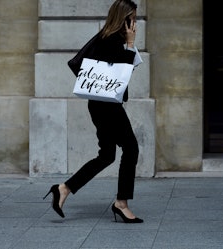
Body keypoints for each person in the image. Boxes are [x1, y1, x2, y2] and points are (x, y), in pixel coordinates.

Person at [43, 0, 143, 223]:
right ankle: (121, 203)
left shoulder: (106, 37)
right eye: (133, 18)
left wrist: (128, 47)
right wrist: (130, 45)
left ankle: (64, 189)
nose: (136, 23)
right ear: (124, 18)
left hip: (100, 104)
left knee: (107, 155)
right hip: (107, 107)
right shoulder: (112, 40)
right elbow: (120, 75)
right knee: (131, 148)